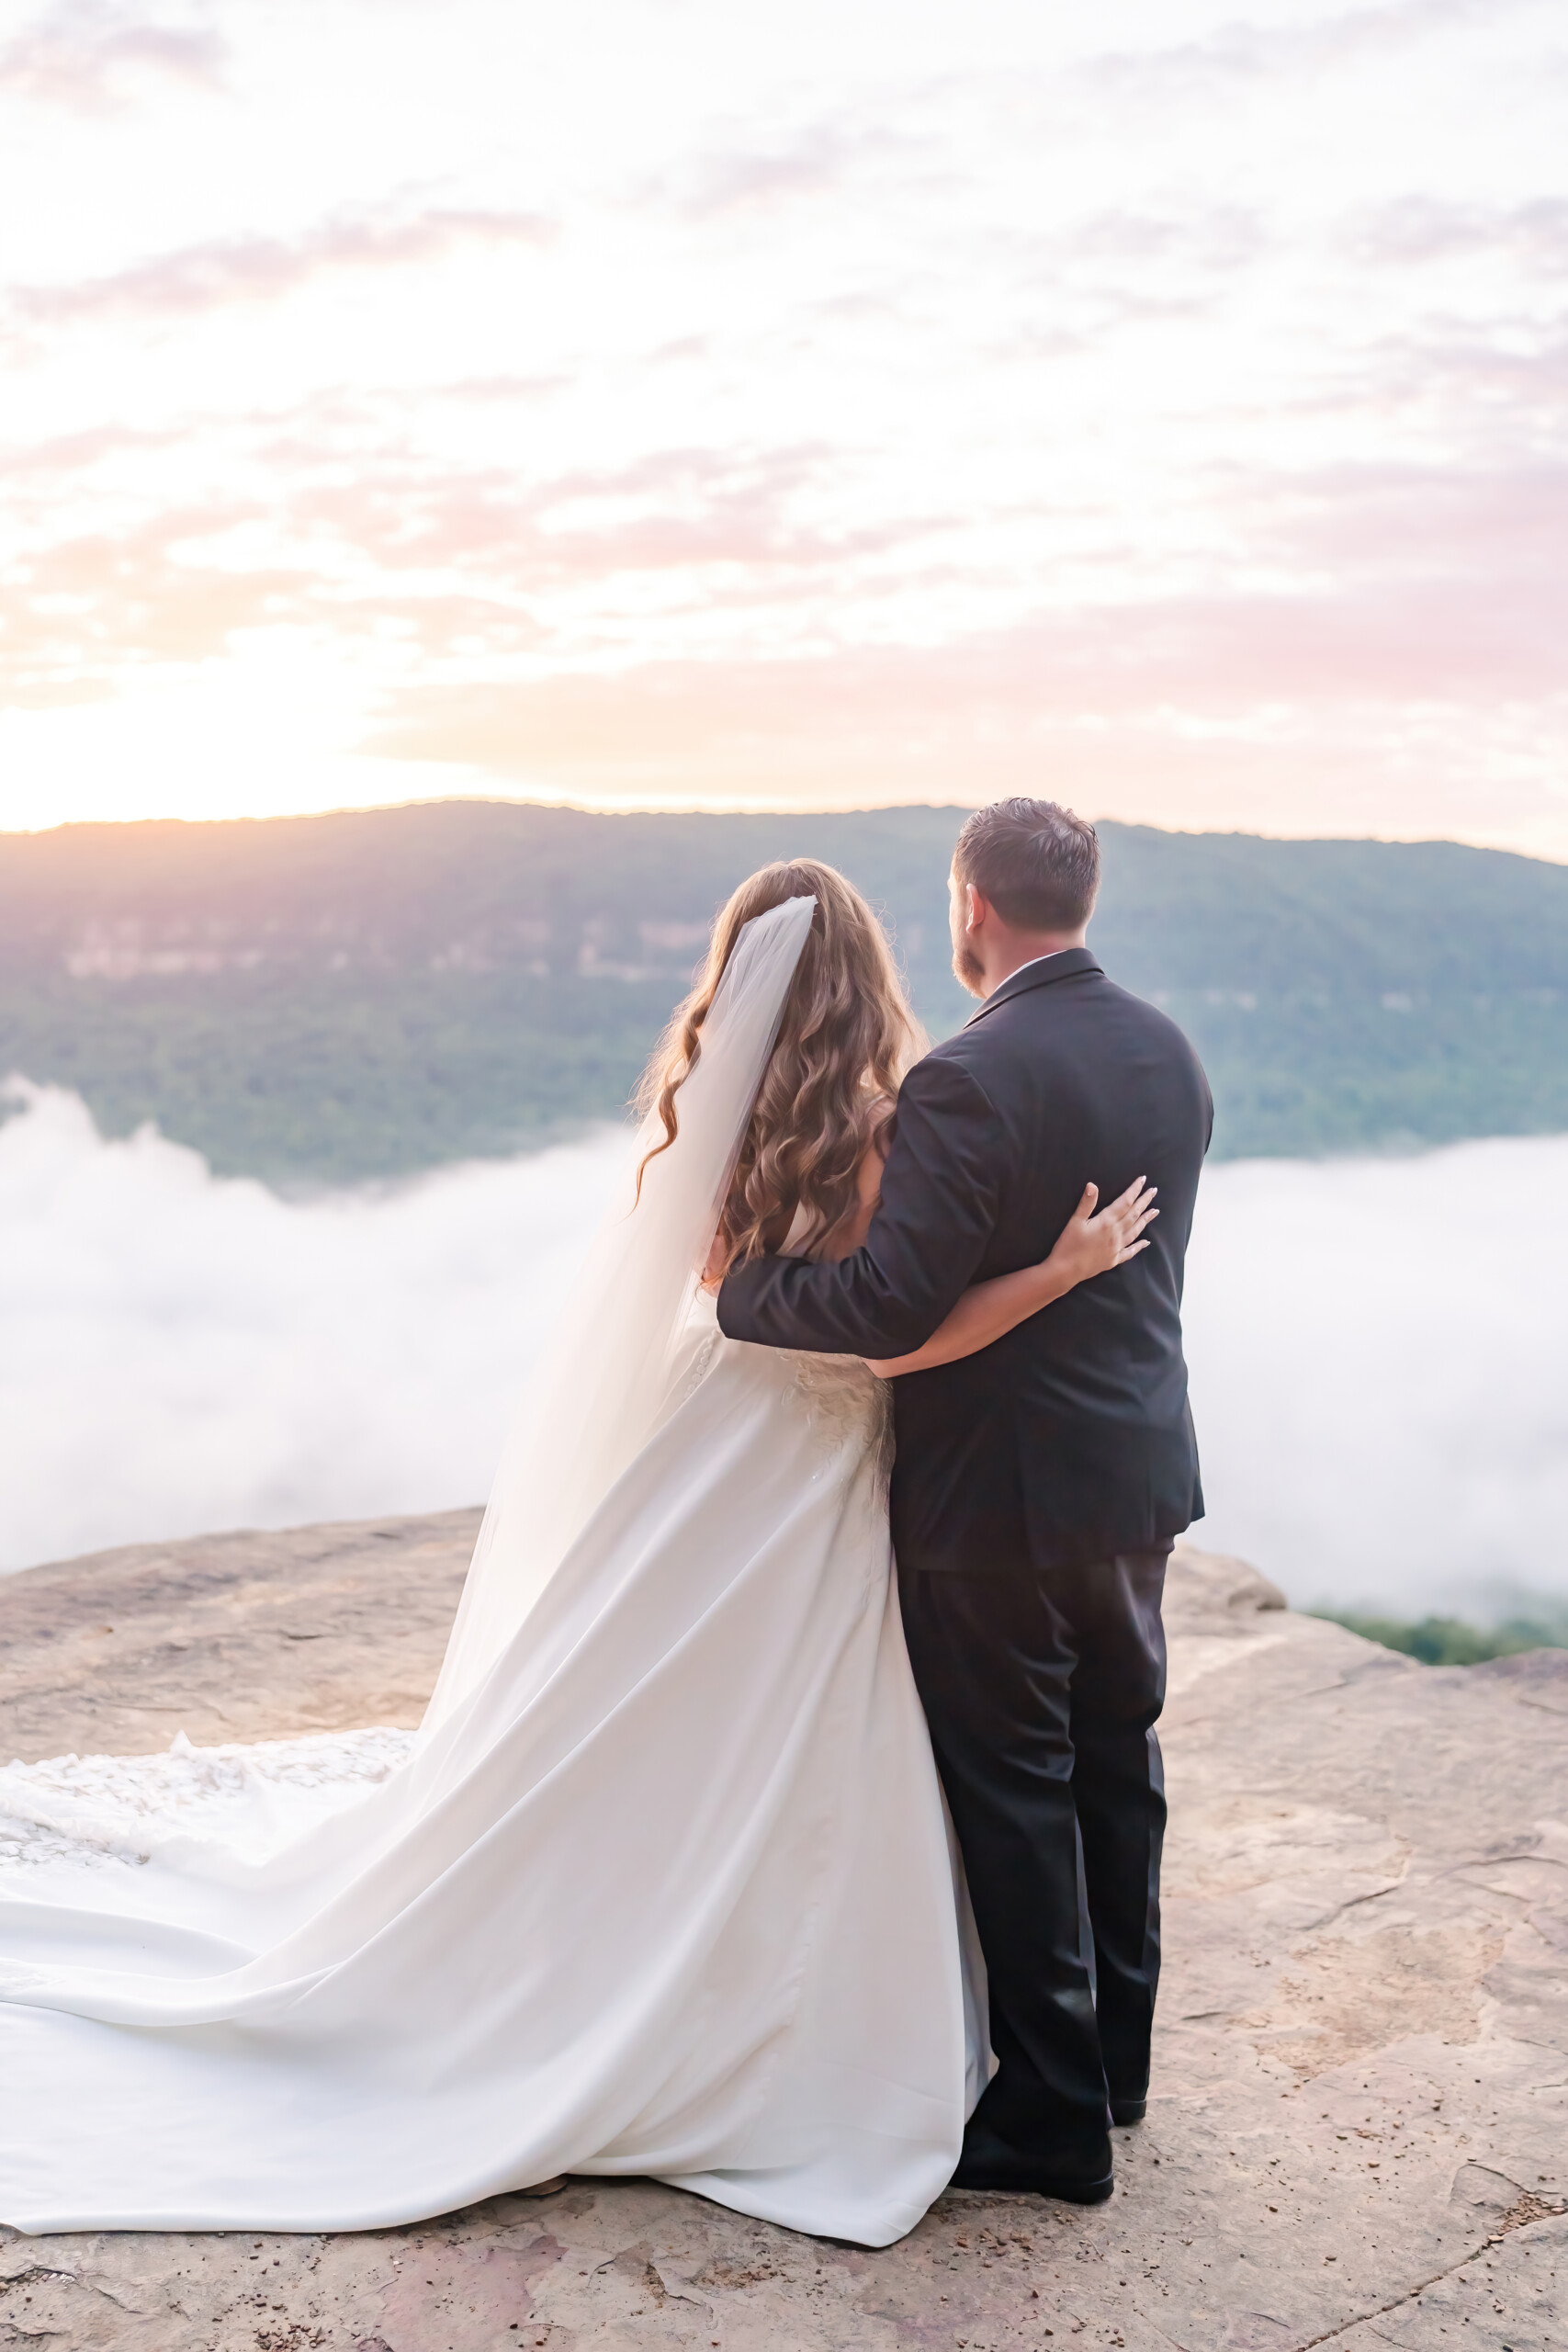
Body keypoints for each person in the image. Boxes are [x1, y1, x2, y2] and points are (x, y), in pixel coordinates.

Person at [0, 857, 1153, 2248]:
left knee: (648, 1700)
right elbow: (893, 1332)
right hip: (818, 1457)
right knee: (797, 1720)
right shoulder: (883, 1122)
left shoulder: (715, 1109)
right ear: (872, 977)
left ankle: (600, 1949)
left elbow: (722, 1288)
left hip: (708, 1439)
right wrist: (1062, 1272)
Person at [718, 801, 1213, 2205]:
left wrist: (736, 1294)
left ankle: (1048, 2123)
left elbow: (887, 1306)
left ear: (971, 906)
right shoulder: (1166, 1050)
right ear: (1083, 897)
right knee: (1121, 1769)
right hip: (1135, 1482)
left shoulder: (967, 1078)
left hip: (994, 1501)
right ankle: (1117, 2070)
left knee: (1015, 1794)